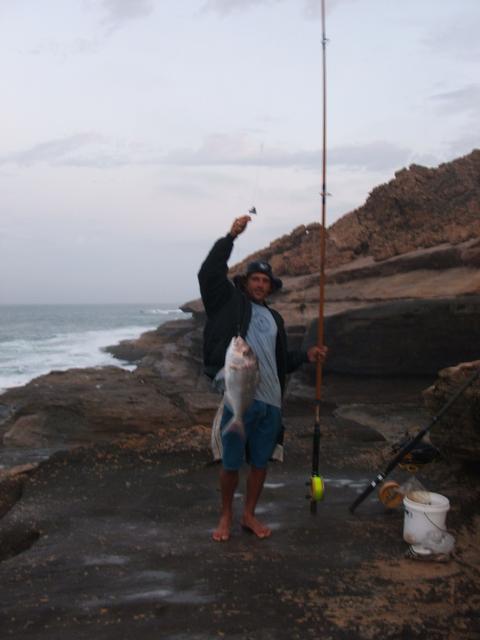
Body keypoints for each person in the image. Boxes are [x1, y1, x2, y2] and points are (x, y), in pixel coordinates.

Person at [198, 215, 327, 542]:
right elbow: (209, 272)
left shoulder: (275, 317)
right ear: (244, 283)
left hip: (271, 402)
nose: (259, 285)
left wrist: (305, 356)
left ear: (270, 287)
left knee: (259, 463)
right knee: (229, 462)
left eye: (264, 281)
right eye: (254, 279)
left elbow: (279, 360)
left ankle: (248, 515)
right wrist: (230, 236)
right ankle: (225, 516)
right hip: (240, 398)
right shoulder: (228, 303)